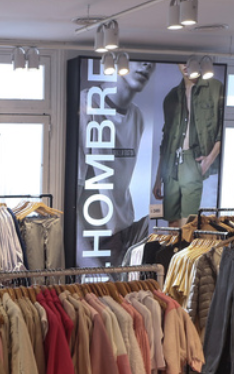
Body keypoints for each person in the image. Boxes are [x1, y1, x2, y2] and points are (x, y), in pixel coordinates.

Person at [77, 61, 156, 267]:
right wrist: (86, 255)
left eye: (152, 60)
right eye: (138, 57)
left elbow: (120, 183)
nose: (147, 64)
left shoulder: (137, 116)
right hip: (94, 237)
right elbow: (72, 192)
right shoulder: (87, 104)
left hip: (124, 235)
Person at [153, 65, 224, 226]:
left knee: (188, 222)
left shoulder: (214, 88)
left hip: (192, 159)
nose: (185, 65)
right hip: (170, 164)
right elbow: (166, 140)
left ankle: (185, 243)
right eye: (181, 62)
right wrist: (158, 178)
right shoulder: (171, 96)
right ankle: (172, 244)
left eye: (188, 61)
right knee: (172, 221)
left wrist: (210, 158)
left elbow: (222, 128)